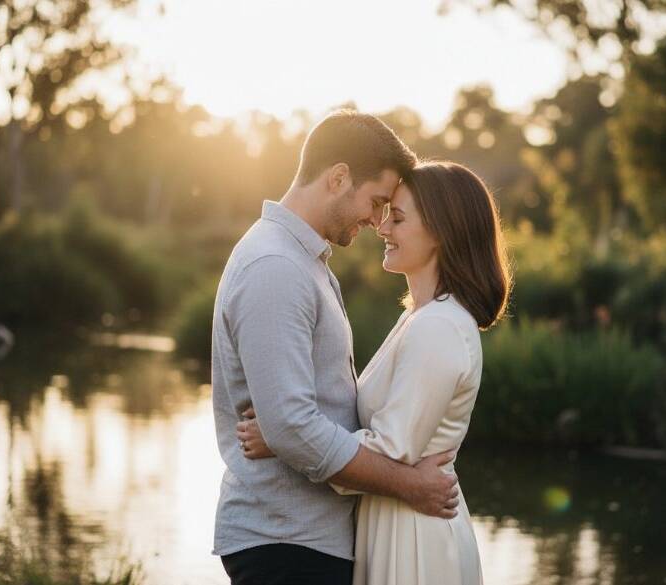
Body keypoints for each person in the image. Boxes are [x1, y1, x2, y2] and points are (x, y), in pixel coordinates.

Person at [211, 111, 462, 585]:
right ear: (339, 178)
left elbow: (295, 420)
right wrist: (410, 486)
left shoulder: (304, 263)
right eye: (377, 202)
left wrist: (281, 434)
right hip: (285, 543)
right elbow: (291, 425)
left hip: (306, 540)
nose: (377, 220)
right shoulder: (276, 266)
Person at [239, 160, 512, 585]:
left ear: (441, 232)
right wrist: (290, 427)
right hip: (392, 520)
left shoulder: (439, 326)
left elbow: (391, 450)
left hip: (413, 536)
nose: (382, 228)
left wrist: (283, 437)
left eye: (397, 218)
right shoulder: (418, 317)